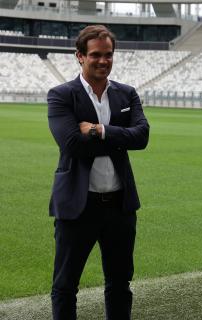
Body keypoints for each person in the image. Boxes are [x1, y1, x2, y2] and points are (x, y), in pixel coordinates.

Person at [47, 25, 149, 320]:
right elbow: (71, 144)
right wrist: (119, 139)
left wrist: (99, 130)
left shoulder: (127, 94)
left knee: (119, 284)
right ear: (79, 56)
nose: (103, 61)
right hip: (78, 206)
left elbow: (142, 137)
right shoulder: (61, 95)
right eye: (95, 55)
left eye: (108, 55)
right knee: (65, 286)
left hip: (120, 205)